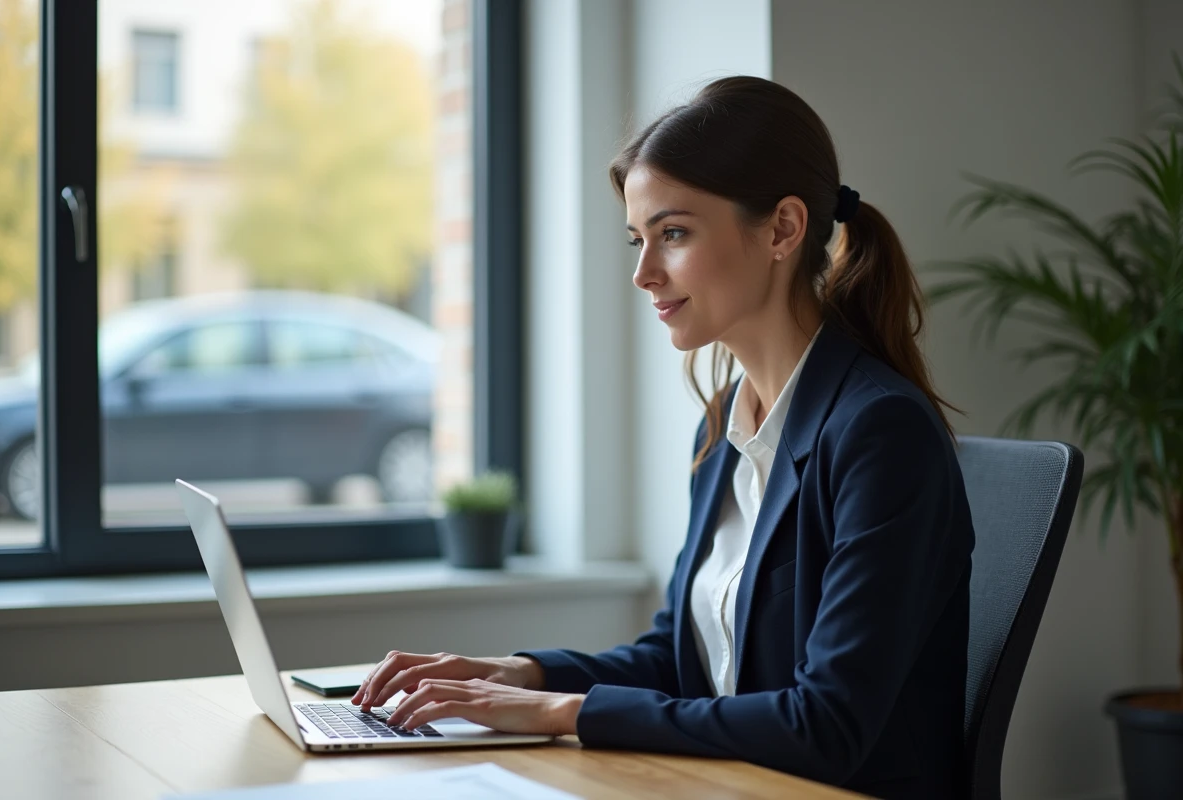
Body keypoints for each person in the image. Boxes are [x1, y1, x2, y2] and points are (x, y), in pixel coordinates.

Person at [352, 76, 975, 799]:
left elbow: (826, 726)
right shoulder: (723, 423)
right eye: (637, 239)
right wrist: (522, 674)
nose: (644, 273)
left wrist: (560, 713)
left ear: (782, 229)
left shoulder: (880, 432)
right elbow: (681, 660)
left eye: (673, 234)